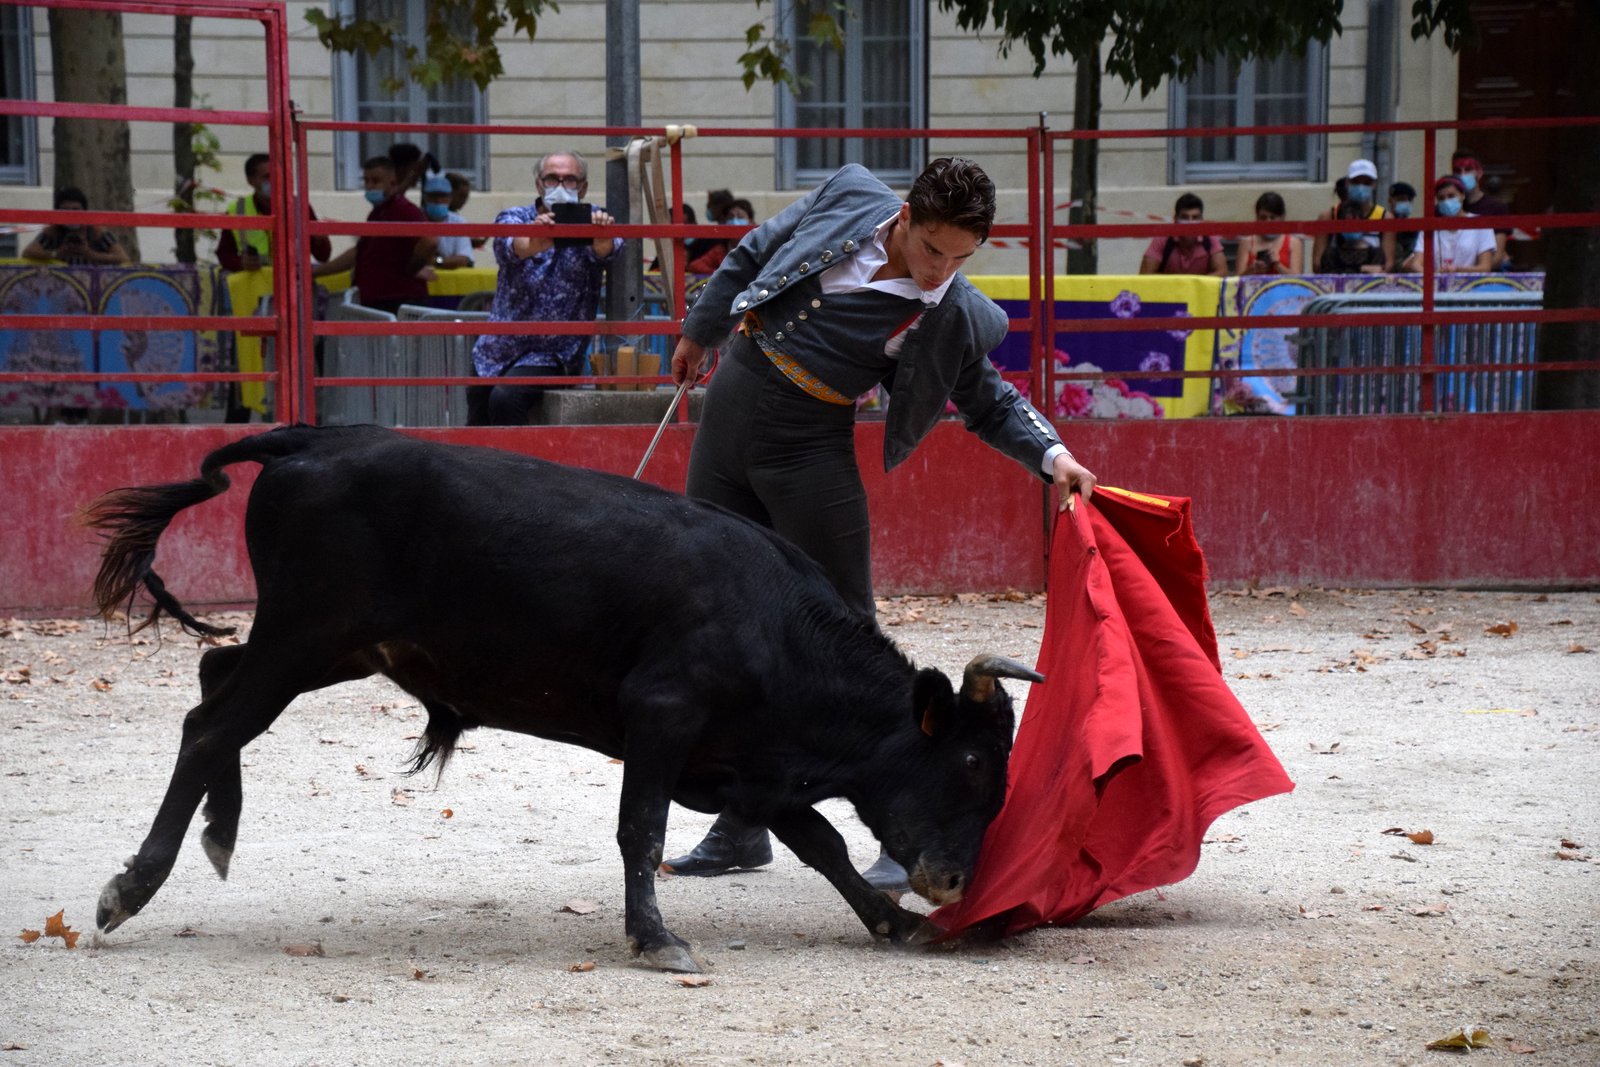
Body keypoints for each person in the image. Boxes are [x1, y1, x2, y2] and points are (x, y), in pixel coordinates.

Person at [662, 157, 1097, 890]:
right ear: (902, 217)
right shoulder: (850, 195)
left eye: (961, 258)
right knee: (720, 618)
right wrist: (701, 329)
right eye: (932, 249)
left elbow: (988, 401)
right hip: (733, 399)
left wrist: (1052, 454)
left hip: (809, 441)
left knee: (849, 635)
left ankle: (908, 828)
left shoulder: (953, 311)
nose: (940, 272)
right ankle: (742, 823)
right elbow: (753, 251)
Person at [467, 150, 621, 426]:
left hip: (555, 352)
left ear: (582, 187)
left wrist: (598, 235)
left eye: (570, 180)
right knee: (477, 414)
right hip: (498, 348)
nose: (561, 187)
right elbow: (515, 247)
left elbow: (607, 250)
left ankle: (517, 468)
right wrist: (539, 236)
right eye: (552, 179)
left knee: (505, 399)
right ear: (539, 184)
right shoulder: (515, 217)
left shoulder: (595, 220)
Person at [314, 152, 436, 314]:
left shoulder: (402, 209)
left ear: (392, 182)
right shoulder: (378, 213)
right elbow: (359, 252)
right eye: (366, 180)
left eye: (376, 181)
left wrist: (411, 267)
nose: (370, 186)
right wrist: (316, 271)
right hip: (378, 300)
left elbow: (430, 241)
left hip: (399, 300)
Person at [216, 153, 332, 272]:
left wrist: (320, 240)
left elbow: (323, 256)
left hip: (293, 283)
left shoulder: (299, 207)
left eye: (277, 175)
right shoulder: (237, 210)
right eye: (267, 177)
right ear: (251, 181)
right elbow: (224, 253)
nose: (274, 181)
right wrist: (240, 262)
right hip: (257, 285)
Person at [1313, 159, 1393, 274]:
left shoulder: (1385, 217)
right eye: (1356, 182)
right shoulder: (1330, 215)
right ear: (1347, 183)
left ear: (1374, 184)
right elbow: (1317, 264)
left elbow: (1388, 265)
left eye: (1367, 183)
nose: (1361, 187)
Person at [1401, 175, 1495, 273]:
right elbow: (1416, 264)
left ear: (1462, 195)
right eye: (1441, 198)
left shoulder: (1481, 224)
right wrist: (1433, 277)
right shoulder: (1429, 227)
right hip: (1437, 285)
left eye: (1451, 196)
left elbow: (1485, 267)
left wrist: (1457, 270)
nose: (1446, 201)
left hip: (1470, 286)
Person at [22, 186, 129, 266]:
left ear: (85, 211)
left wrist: (90, 254)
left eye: (76, 210)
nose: (71, 216)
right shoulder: (54, 230)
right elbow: (28, 252)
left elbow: (122, 258)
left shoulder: (95, 230)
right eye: (66, 211)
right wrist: (56, 254)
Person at [1140, 193, 1227, 276]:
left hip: (1199, 290)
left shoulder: (1209, 239)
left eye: (1195, 217)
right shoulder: (1163, 239)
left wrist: (1194, 284)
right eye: (1184, 217)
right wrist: (1180, 285)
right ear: (1175, 219)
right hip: (1168, 290)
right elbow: (1145, 274)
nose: (1190, 222)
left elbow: (1222, 272)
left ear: (1202, 220)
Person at [1450, 151, 1512, 269]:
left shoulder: (1497, 208)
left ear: (1479, 172)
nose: (1462, 175)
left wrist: (1473, 273)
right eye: (1457, 171)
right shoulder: (1448, 209)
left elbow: (1497, 256)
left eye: (1468, 169)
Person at [1233, 191, 1300, 276]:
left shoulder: (1293, 242)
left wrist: (1278, 265)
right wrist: (1252, 269)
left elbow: (1298, 280)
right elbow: (1237, 281)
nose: (1268, 221)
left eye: (1273, 217)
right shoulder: (1246, 243)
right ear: (1257, 218)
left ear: (1282, 217)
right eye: (1263, 217)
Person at [686, 197, 755, 274]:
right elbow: (694, 266)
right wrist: (720, 274)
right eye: (731, 217)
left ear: (751, 221)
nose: (735, 221)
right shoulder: (720, 250)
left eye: (740, 217)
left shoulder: (757, 247)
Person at [421, 173, 474, 270]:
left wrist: (436, 261)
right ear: (425, 197)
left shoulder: (458, 222)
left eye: (443, 196)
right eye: (433, 196)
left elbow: (463, 259)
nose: (438, 200)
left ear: (450, 198)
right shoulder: (414, 219)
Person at [446, 171, 489, 249]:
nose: (464, 200)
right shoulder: (439, 217)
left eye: (466, 197)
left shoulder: (456, 217)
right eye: (461, 196)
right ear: (449, 193)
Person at [1388, 181, 1420, 267]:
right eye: (1401, 199)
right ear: (1390, 200)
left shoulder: (1414, 229)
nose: (1406, 203)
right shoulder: (1384, 225)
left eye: (1409, 200)